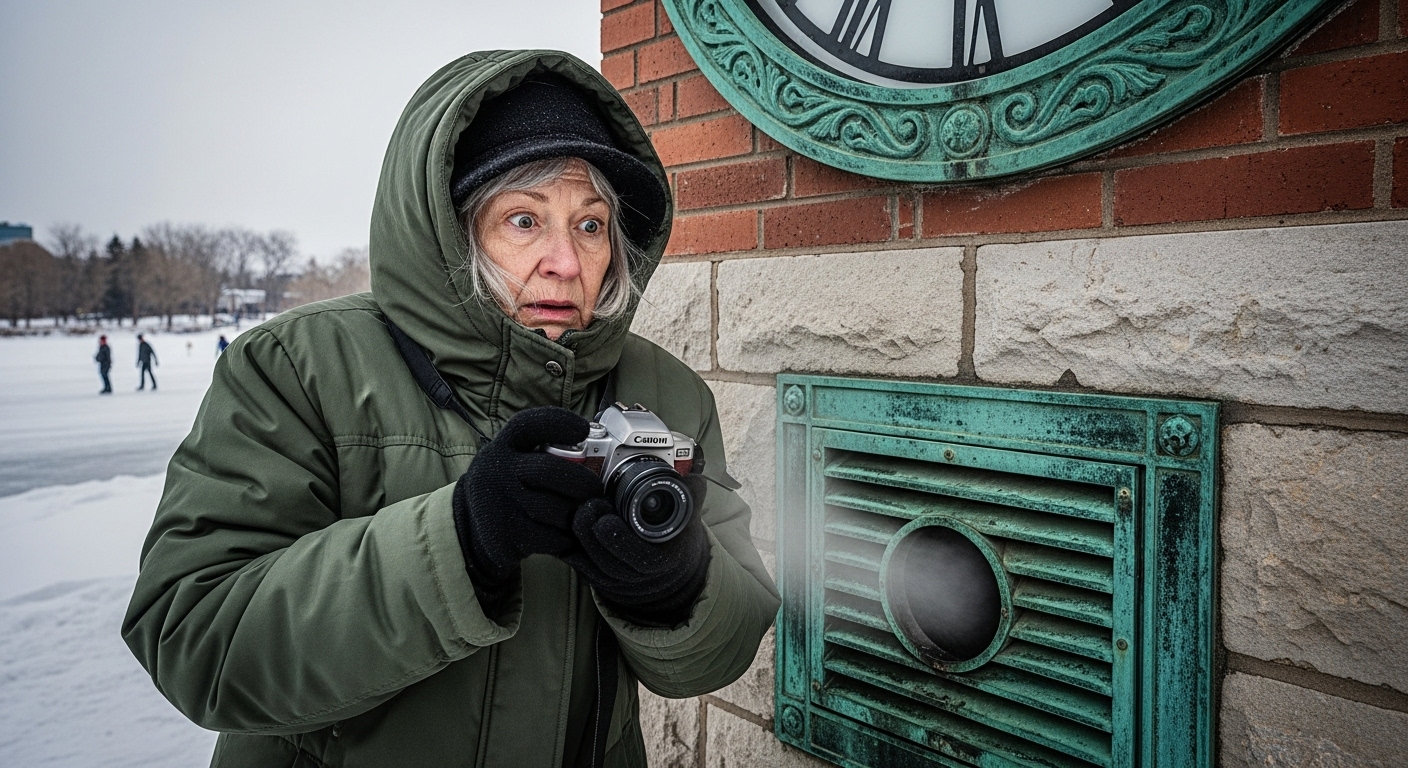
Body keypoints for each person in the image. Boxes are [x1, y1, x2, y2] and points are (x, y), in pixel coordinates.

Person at [122, 51, 779, 768]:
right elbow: (195, 639)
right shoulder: (295, 367)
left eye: (591, 226)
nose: (567, 260)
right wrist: (459, 542)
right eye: (524, 220)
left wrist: (678, 587)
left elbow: (722, 651)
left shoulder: (668, 392)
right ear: (450, 233)